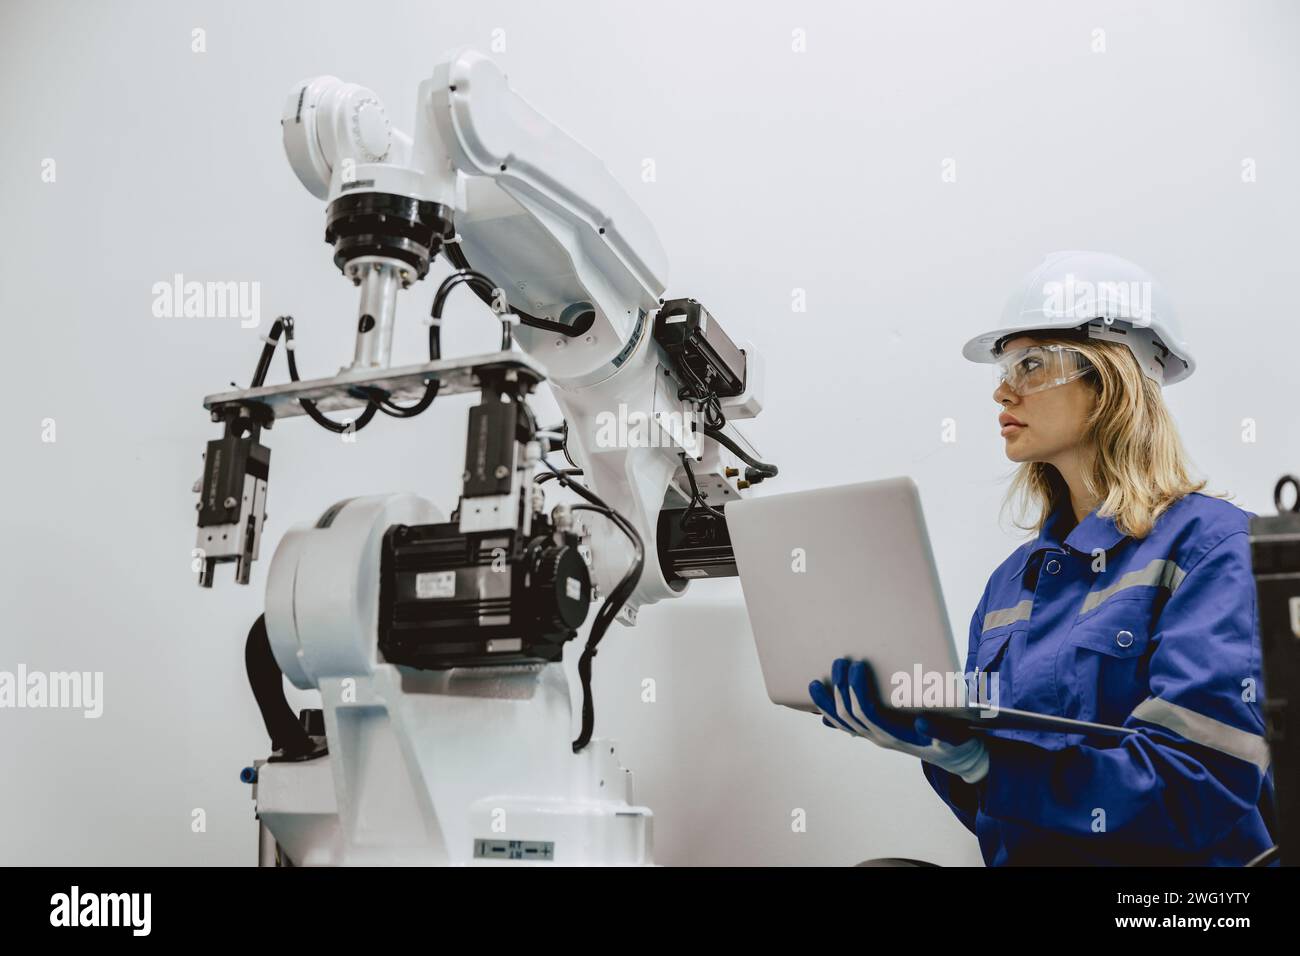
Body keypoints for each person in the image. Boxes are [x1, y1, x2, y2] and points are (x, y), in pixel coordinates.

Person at [810, 251, 1276, 865]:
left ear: (1111, 378)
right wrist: (947, 753)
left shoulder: (1214, 549)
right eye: (1005, 368)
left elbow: (1199, 786)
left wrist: (989, 763)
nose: (1004, 390)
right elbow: (995, 814)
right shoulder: (1011, 585)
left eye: (1030, 364)